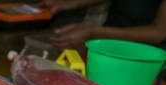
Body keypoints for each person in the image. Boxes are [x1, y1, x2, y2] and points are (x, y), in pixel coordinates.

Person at [37, 0, 166, 49]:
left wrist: (95, 33)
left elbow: (159, 33)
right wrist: (69, 3)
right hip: (107, 44)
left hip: (146, 58)